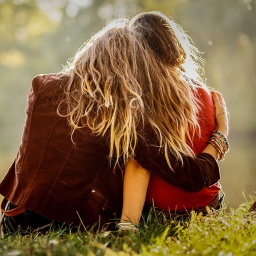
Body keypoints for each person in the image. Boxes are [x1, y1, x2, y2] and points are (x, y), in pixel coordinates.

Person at [0, 12, 224, 234]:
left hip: (14, 218)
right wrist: (220, 135)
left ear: (90, 52)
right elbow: (191, 176)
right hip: (68, 225)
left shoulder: (41, 86)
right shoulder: (126, 113)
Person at [119, 12, 229, 228]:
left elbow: (140, 166)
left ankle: (128, 224)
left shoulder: (141, 99)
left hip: (165, 214)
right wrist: (223, 131)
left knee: (135, 155)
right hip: (210, 206)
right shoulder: (206, 94)